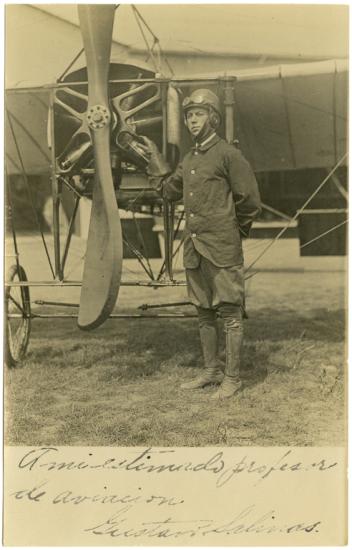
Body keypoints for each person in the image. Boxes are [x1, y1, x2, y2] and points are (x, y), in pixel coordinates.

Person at [140, 89, 261, 399]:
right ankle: (211, 371)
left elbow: (249, 202)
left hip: (221, 248)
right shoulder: (191, 158)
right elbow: (168, 190)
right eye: (189, 116)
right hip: (195, 249)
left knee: (230, 313)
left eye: (199, 114)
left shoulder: (228, 155)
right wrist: (153, 158)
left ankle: (232, 378)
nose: (193, 120)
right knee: (204, 312)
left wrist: (232, 234)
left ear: (214, 118)